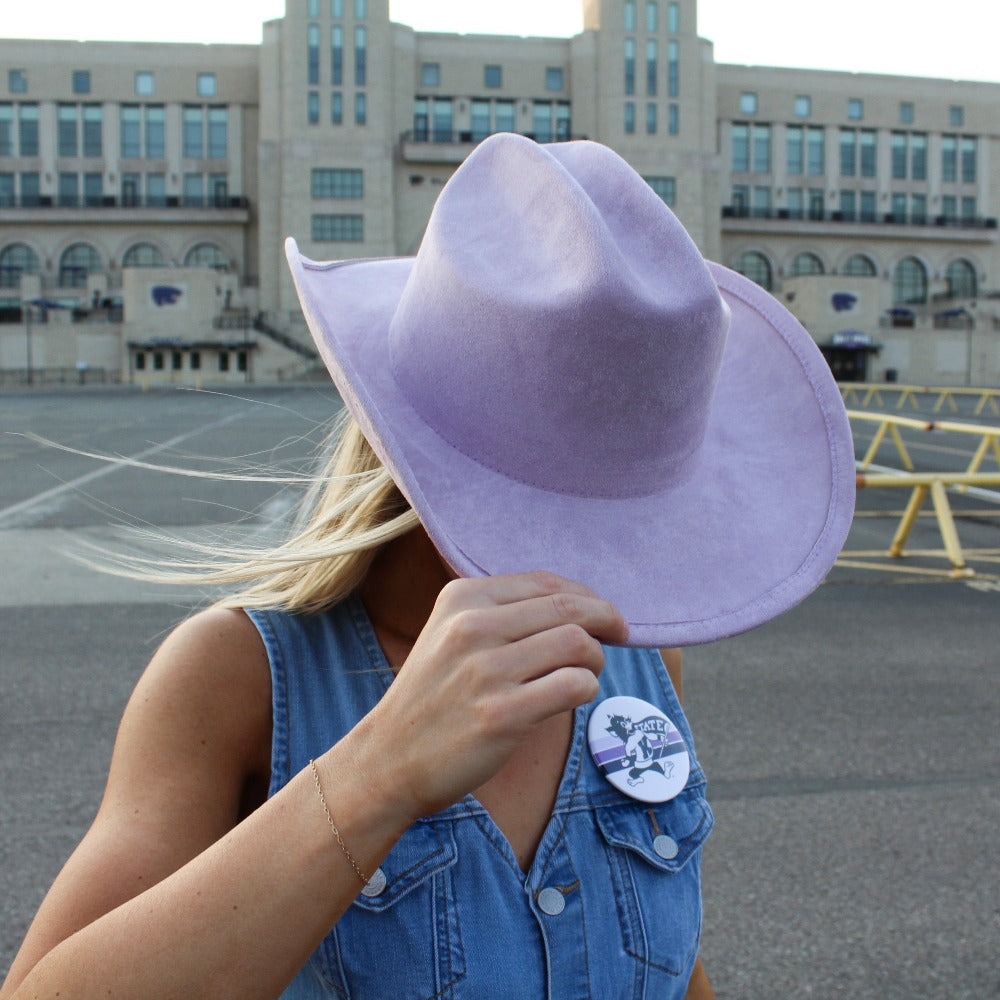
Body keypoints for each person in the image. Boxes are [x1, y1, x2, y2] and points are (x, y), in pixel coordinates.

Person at [1, 133, 854, 999]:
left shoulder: (633, 659)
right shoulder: (238, 676)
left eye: (632, 515)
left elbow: (673, 966)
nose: (619, 564)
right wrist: (377, 770)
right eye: (573, 507)